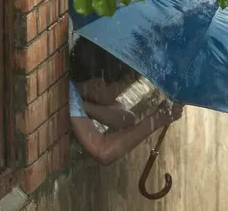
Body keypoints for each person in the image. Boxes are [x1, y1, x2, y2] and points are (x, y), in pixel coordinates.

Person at [68, 37, 184, 165]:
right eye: (119, 89)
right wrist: (158, 119)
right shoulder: (70, 98)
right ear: (99, 85)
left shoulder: (79, 90)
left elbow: (127, 120)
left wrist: (86, 106)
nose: (118, 96)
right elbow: (103, 151)